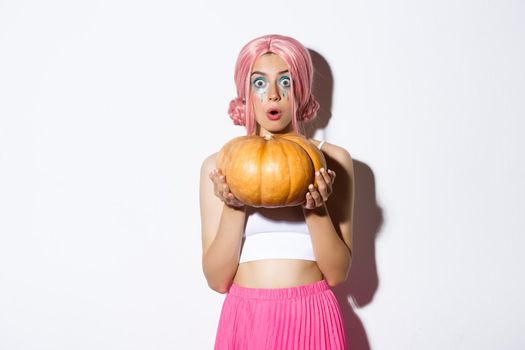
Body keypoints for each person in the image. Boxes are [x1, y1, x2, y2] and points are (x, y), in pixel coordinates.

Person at [199, 34, 355, 349]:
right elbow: (217, 280)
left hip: (312, 316)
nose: (273, 95)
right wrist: (233, 205)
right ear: (245, 93)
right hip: (246, 318)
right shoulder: (218, 166)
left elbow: (337, 273)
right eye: (259, 83)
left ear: (301, 90)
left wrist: (315, 208)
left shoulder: (334, 160)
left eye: (286, 82)